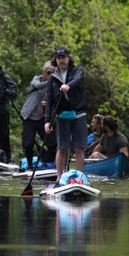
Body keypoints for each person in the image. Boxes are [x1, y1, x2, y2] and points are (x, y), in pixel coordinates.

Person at [43, 46, 88, 182]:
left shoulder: (77, 70)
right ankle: (59, 178)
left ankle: (80, 178)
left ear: (68, 58)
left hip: (78, 114)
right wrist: (47, 120)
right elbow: (49, 99)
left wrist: (68, 85)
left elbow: (78, 79)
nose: (61, 60)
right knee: (61, 148)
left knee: (79, 148)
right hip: (62, 116)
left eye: (63, 58)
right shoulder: (53, 77)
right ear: (55, 59)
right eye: (58, 58)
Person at [20, 61, 54, 169]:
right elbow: (38, 86)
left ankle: (49, 161)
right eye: (49, 73)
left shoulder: (53, 85)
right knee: (28, 143)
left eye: (53, 73)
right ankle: (29, 165)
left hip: (42, 118)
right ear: (44, 72)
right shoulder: (36, 79)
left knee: (52, 143)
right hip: (29, 117)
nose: (50, 75)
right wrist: (51, 81)